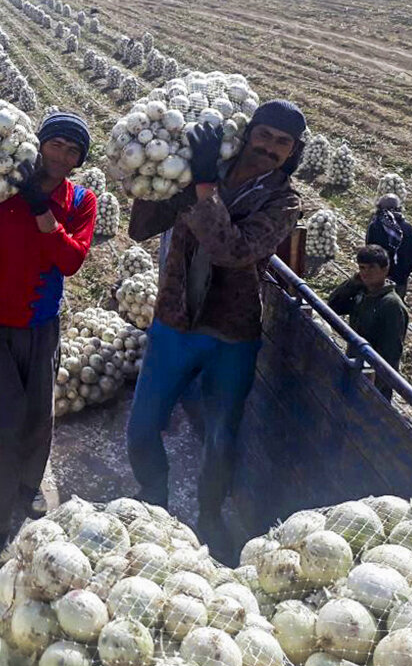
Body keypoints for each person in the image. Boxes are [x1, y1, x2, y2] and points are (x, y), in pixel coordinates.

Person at [125, 99, 306, 558]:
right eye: (264, 135)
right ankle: (154, 499)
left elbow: (234, 250)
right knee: (142, 426)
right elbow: (141, 229)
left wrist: (204, 186)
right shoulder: (204, 170)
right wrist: (162, 171)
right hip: (175, 322)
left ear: (292, 152)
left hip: (232, 334)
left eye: (282, 143)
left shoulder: (284, 202)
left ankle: (209, 514)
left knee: (221, 436)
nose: (269, 147)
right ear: (248, 133)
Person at [0, 112, 97, 565]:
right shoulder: (0, 191)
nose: (61, 155)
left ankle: (28, 483)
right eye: (54, 144)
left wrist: (41, 208)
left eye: (72, 151)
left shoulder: (80, 200)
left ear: (78, 162)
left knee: (38, 414)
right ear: (37, 145)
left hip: (40, 321)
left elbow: (70, 261)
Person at [327, 244, 410, 399]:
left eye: (371, 268)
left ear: (385, 269)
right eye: (362, 268)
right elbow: (333, 306)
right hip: (353, 369)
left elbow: (390, 354)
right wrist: (352, 283)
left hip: (373, 384)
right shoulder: (361, 294)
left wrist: (370, 390)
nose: (366, 273)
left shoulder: (391, 305)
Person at [366, 194, 412, 297]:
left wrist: (380, 274)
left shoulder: (375, 226)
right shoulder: (408, 228)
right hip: (400, 281)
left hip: (378, 279)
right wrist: (402, 275)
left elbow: (369, 253)